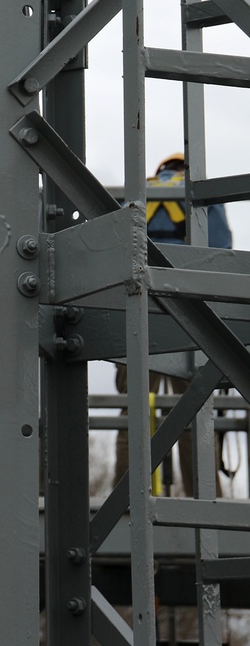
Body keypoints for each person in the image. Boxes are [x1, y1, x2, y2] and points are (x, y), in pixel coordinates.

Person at [114, 151, 233, 495]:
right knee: (194, 410)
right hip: (189, 305)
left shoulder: (140, 191)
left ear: (161, 169)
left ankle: (123, 502)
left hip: (138, 303)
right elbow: (220, 251)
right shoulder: (200, 194)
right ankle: (205, 504)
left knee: (133, 408)